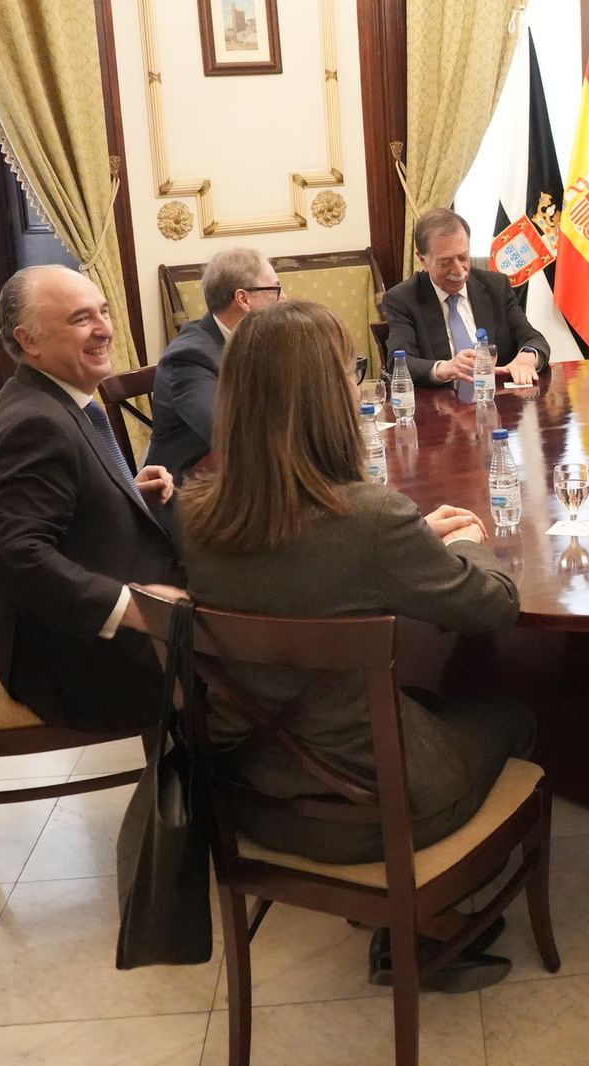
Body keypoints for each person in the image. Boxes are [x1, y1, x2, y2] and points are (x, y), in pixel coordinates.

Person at [177, 299, 534, 990]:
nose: (361, 383)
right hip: (375, 813)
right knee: (512, 712)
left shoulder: (196, 513)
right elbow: (494, 607)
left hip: (250, 798)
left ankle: (403, 922)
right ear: (328, 397)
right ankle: (428, 925)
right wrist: (467, 545)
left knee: (428, 696)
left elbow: (303, 566)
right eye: (353, 371)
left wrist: (411, 540)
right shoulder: (369, 521)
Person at [0, 266, 183, 732]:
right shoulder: (37, 424)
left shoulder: (50, 396)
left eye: (104, 312)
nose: (105, 329)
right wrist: (132, 607)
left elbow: (63, 502)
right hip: (71, 660)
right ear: (30, 341)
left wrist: (121, 490)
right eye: (80, 319)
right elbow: (15, 556)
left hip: (72, 632)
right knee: (250, 657)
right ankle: (212, 792)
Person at [145, 247, 282, 486]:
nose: (283, 300)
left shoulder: (251, 341)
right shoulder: (190, 356)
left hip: (241, 478)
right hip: (191, 492)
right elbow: (229, 434)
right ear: (243, 299)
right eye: (275, 290)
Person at [381, 208, 549, 388]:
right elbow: (399, 362)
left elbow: (533, 339)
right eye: (445, 262)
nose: (459, 270)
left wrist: (527, 357)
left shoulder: (495, 286)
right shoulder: (402, 299)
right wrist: (444, 368)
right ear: (422, 260)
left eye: (463, 257)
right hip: (441, 408)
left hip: (500, 403)